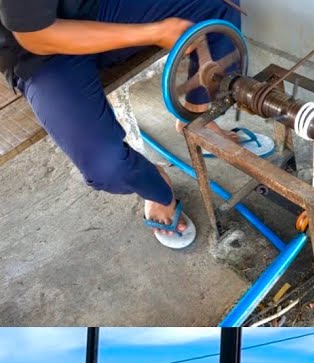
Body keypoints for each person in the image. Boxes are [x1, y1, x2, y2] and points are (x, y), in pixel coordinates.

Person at [0, 0, 267, 248]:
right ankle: (156, 188)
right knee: (108, 168)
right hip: (40, 52)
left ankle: (197, 119)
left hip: (100, 6)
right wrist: (153, 32)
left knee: (217, 6)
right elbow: (36, 35)